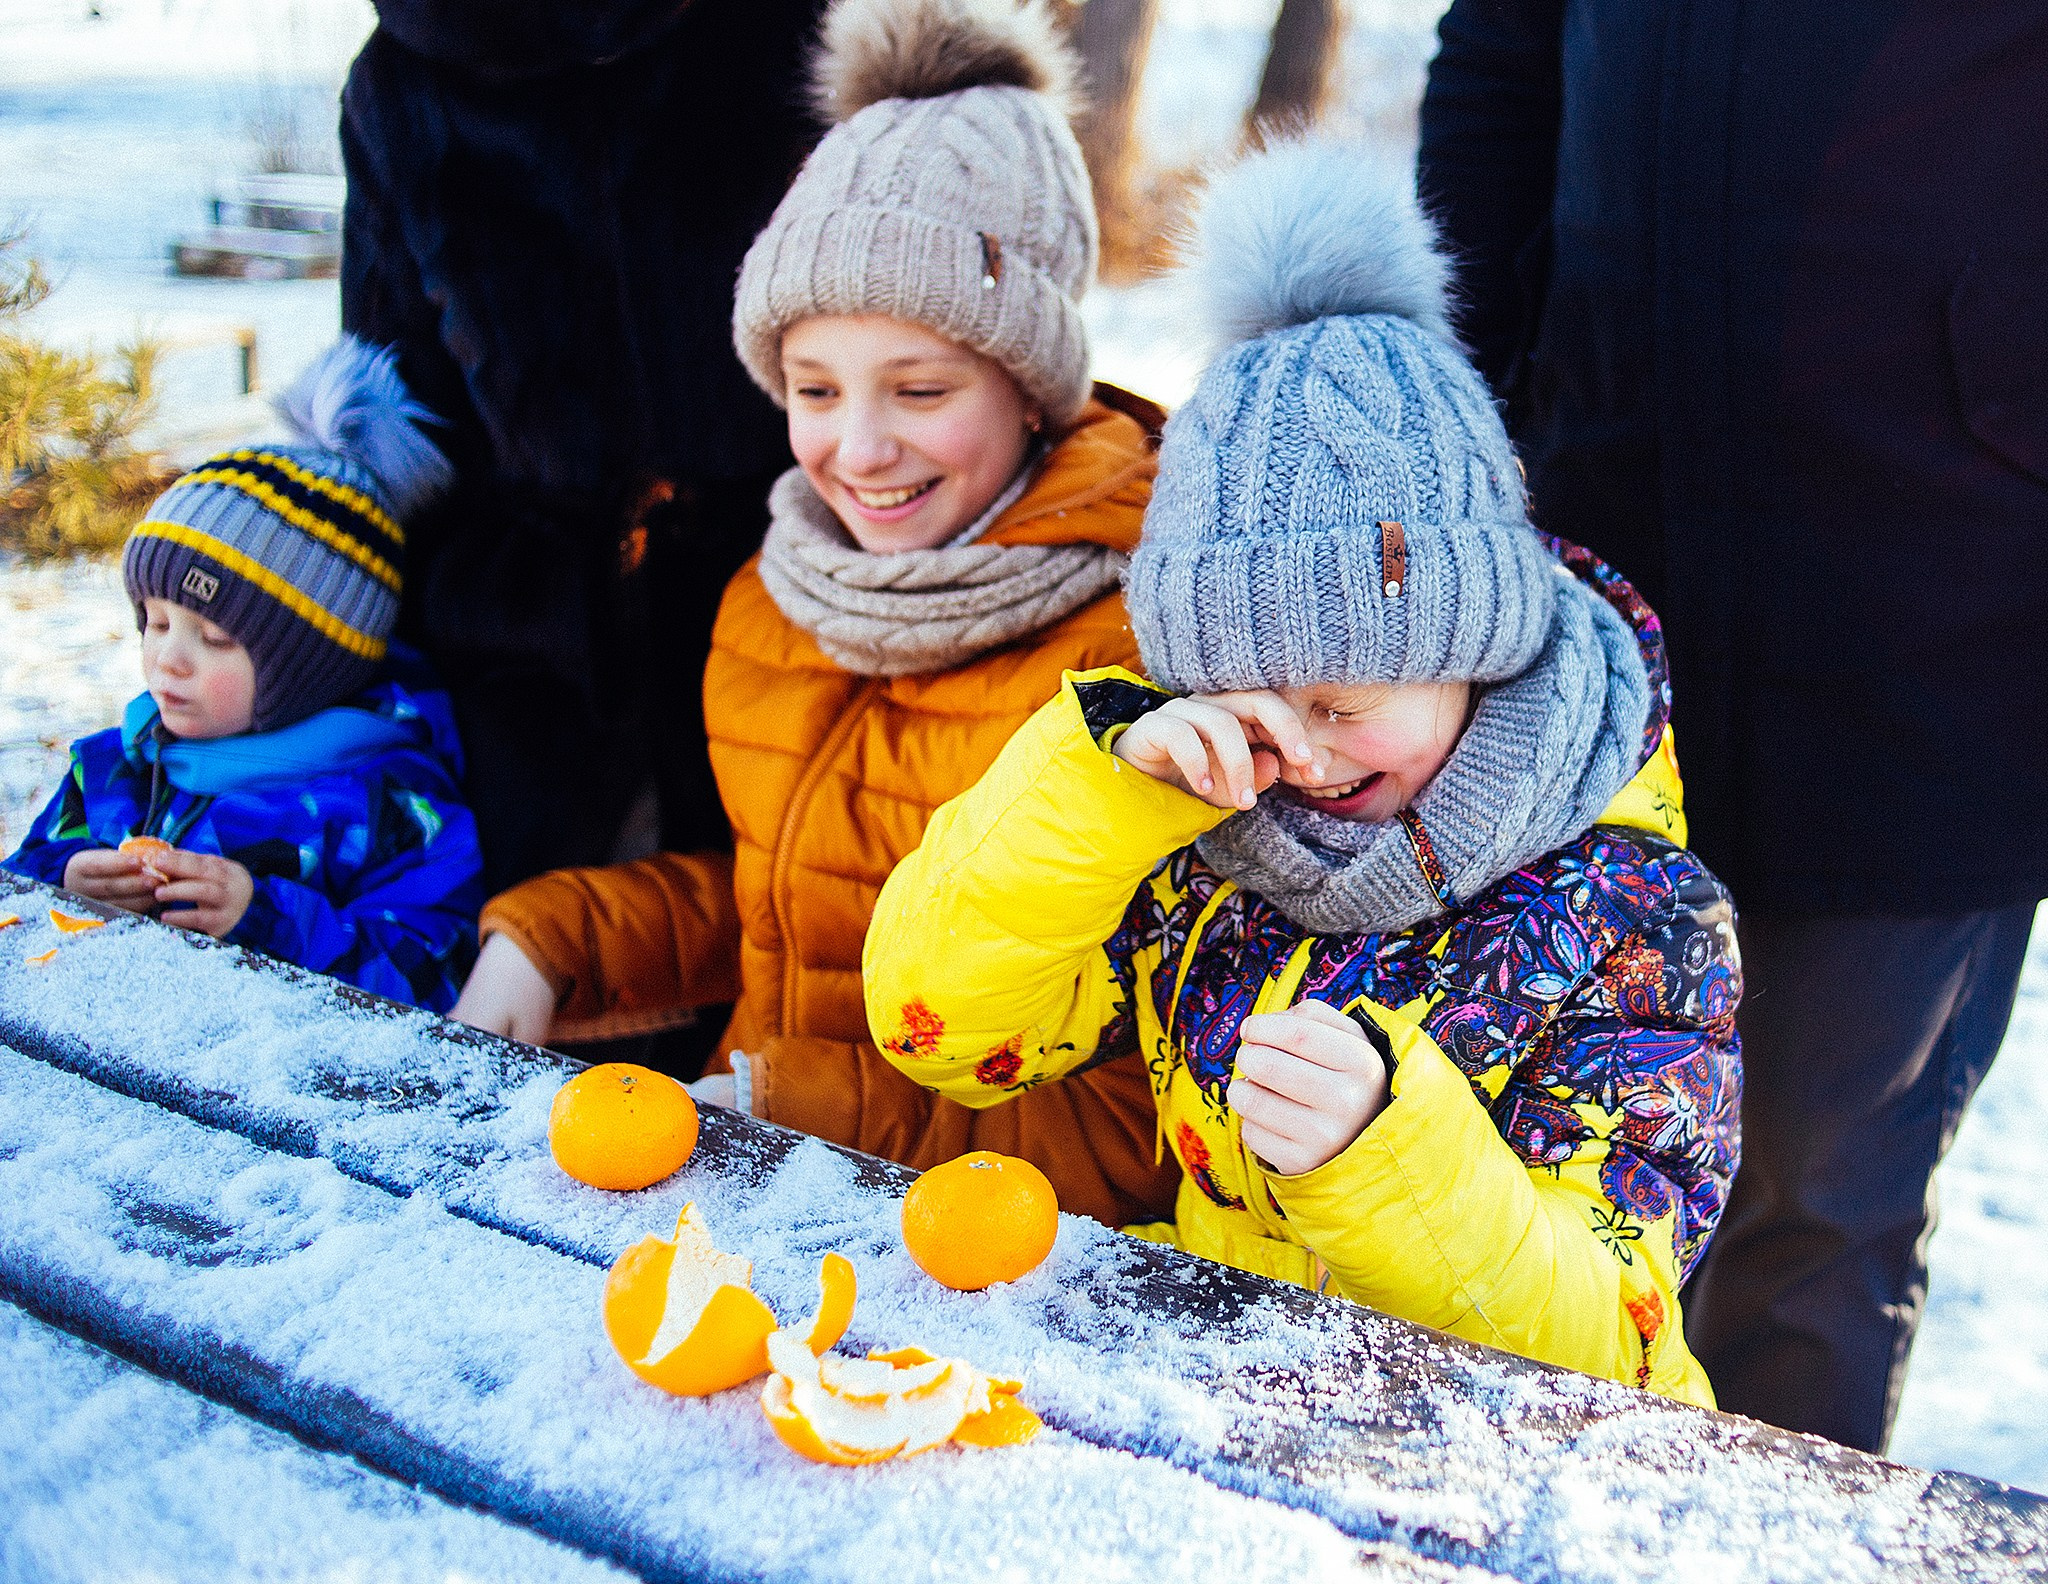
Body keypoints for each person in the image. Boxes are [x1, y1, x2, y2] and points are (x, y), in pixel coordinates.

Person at [863, 142, 1742, 1402]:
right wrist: (1104, 787)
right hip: (1227, 1403)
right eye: (1253, 705)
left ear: (1474, 655)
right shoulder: (1210, 830)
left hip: (1510, 1478)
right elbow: (945, 1036)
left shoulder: (1638, 919)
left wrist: (1384, 1156)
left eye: (1344, 704)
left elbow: (1607, 1339)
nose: (1302, 755)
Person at [1416, 0, 2048, 1451]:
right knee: (1529, 1144)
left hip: (1947, 590)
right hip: (1598, 559)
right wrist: (1475, 384)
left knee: (1814, 1196)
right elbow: (1505, 55)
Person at [450, 0, 1179, 1230]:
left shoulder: (1132, 658)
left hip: (988, 1278)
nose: (859, 447)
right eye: (814, 388)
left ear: (1034, 388)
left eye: (921, 387)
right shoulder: (776, 599)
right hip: (739, 1205)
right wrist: (553, 941)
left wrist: (795, 1113)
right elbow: (786, 911)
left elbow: (1139, 1117)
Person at [340, 0, 822, 899]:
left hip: (786, 591)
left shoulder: (789, 26)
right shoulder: (405, 74)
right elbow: (392, 388)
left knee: (781, 947)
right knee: (538, 967)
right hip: (518, 634)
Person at [4, 340, 484, 1015]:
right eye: (156, 621)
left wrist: (267, 921)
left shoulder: (392, 808)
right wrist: (62, 882)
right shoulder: (114, 767)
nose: (167, 659)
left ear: (309, 669)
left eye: (217, 639)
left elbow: (435, 980)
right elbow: (14, 913)